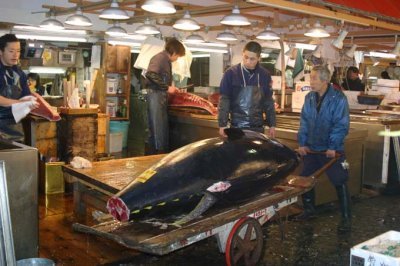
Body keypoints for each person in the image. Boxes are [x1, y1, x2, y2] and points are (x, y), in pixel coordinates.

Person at [296, 65, 351, 232]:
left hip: (330, 151)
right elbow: (304, 122)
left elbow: (341, 125)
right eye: (310, 78)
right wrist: (302, 143)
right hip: (312, 148)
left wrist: (333, 147)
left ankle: (346, 216)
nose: (311, 81)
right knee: (305, 179)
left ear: (325, 81)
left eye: (314, 78)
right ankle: (309, 210)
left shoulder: (339, 98)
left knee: (339, 180)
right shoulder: (309, 98)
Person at [218, 41, 276, 137]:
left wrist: (272, 124)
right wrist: (222, 124)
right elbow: (224, 100)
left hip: (258, 128)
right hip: (236, 128)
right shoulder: (230, 73)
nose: (248, 61)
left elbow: (268, 101)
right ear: (242, 53)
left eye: (252, 59)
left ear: (259, 58)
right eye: (246, 57)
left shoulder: (265, 75)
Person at [144, 37, 185, 154]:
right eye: (178, 56)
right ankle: (156, 157)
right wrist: (167, 88)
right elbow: (151, 74)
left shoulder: (166, 61)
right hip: (155, 96)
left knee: (160, 128)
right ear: (174, 52)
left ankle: (157, 155)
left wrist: (170, 88)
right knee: (157, 129)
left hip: (160, 96)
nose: (177, 59)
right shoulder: (160, 58)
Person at [0, 34, 38, 142]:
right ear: (1, 51)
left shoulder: (19, 73)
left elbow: (25, 96)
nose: (15, 55)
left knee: (17, 156)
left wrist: (31, 101)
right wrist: (18, 103)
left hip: (15, 128)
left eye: (18, 51)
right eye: (11, 51)